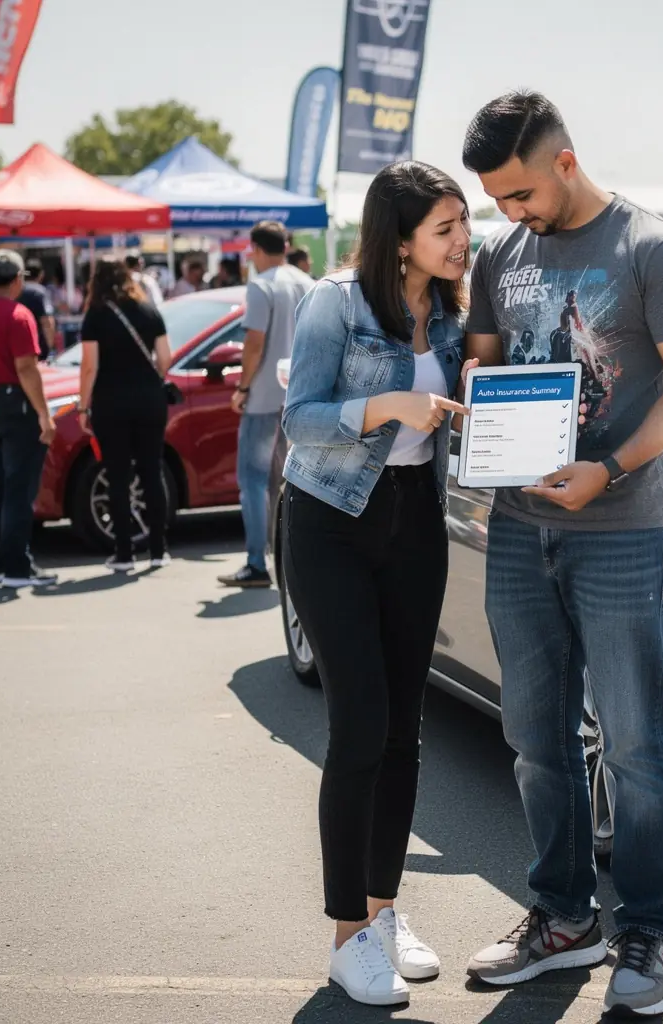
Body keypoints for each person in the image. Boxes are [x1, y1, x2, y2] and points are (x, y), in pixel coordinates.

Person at [460, 90, 663, 1019]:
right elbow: (483, 363)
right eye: (496, 199)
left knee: (639, 746)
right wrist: (488, 405)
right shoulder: (501, 255)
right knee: (534, 738)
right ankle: (565, 919)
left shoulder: (655, 249)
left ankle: (645, 928)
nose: (508, 213)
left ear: (564, 161)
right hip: (520, 530)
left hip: (623, 532)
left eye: (520, 193)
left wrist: (606, 466)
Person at [280, 163, 469, 1007]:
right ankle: (346, 936)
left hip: (414, 524)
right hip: (330, 522)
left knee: (403, 732)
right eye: (445, 229)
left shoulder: (458, 315)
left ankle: (385, 913)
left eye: (464, 225)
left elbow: (461, 416)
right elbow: (299, 418)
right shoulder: (337, 302)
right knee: (359, 724)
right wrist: (387, 404)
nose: (463, 242)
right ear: (400, 240)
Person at [217, 221, 314, 588]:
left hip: (263, 399)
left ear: (256, 249)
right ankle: (288, 561)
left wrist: (242, 388)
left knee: (253, 481)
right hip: (299, 396)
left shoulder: (261, 285)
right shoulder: (307, 282)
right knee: (289, 483)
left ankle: (257, 563)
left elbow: (254, 344)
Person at [77, 258, 173, 572]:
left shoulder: (96, 316)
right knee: (151, 471)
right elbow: (165, 360)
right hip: (149, 401)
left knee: (116, 475)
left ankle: (124, 553)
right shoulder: (148, 311)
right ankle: (158, 550)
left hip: (110, 404)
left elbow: (89, 366)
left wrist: (82, 405)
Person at [0, 250, 58, 588]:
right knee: (18, 492)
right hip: (15, 408)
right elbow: (26, 369)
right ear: (18, 279)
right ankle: (18, 569)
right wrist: (44, 416)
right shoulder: (18, 314)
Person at [17, 259, 57, 361]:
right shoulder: (40, 292)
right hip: (38, 348)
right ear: (41, 274)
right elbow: (47, 322)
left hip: (19, 347)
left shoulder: (16, 291)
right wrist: (50, 346)